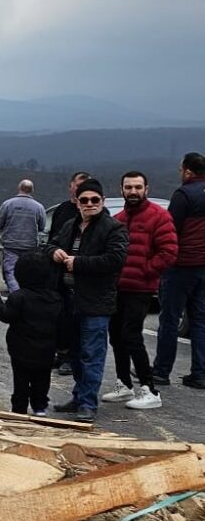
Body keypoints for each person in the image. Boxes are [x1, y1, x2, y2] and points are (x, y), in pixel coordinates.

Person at [44, 178, 128, 423]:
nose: (90, 204)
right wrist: (54, 252)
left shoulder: (113, 228)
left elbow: (115, 260)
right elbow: (50, 245)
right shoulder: (70, 225)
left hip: (96, 303)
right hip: (69, 300)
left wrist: (78, 263)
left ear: (102, 201)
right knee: (75, 353)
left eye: (95, 200)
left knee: (93, 354)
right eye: (84, 200)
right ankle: (79, 397)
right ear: (77, 202)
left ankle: (88, 404)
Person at [101, 172, 177, 409]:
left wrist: (146, 270)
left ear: (146, 189)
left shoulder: (159, 216)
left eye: (137, 187)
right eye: (128, 187)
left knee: (131, 335)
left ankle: (149, 389)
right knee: (116, 335)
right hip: (118, 287)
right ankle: (124, 385)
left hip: (141, 288)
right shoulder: (120, 219)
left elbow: (169, 251)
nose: (133, 191)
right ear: (121, 189)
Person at [153, 152, 205, 389]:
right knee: (200, 320)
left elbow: (170, 230)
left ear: (187, 171)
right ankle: (200, 373)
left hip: (182, 265)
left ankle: (162, 371)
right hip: (203, 267)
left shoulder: (184, 194)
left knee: (170, 319)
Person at [0, 253, 63, 416]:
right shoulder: (55, 299)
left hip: (21, 349)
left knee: (21, 380)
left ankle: (19, 409)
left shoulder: (19, 297)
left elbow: (6, 315)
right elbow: (61, 324)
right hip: (46, 349)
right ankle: (40, 407)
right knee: (42, 379)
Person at [49, 171, 91, 375]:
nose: (80, 190)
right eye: (78, 185)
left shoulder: (99, 216)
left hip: (84, 280)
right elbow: (51, 241)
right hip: (60, 277)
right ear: (70, 187)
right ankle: (62, 354)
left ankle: (73, 358)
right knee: (60, 319)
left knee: (78, 322)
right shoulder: (62, 211)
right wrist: (53, 252)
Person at [0, 179, 45, 292]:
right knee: (28, 271)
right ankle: (27, 293)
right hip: (30, 245)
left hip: (11, 244)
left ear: (19, 188)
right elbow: (42, 227)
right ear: (32, 190)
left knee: (10, 271)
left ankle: (17, 294)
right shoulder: (39, 207)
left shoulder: (7, 204)